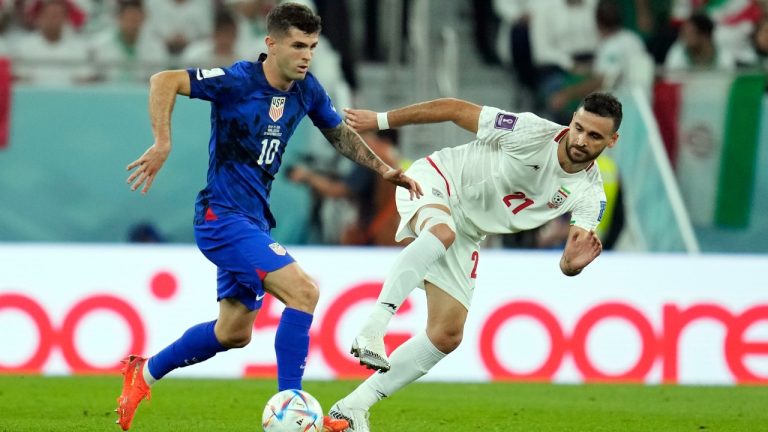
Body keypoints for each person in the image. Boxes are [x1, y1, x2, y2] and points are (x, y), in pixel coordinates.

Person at [115, 3, 421, 431]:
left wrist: (384, 169)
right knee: (303, 292)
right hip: (221, 217)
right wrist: (162, 142)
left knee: (233, 332)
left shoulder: (307, 90)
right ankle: (296, 412)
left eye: (312, 46)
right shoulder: (237, 80)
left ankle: (143, 373)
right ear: (271, 44)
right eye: (298, 45)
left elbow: (340, 135)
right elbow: (162, 80)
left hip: (253, 220)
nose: (306, 55)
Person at [328, 92, 621, 431]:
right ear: (572, 120)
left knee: (447, 334)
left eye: (595, 136)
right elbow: (454, 109)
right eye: (579, 128)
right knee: (442, 232)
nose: (581, 140)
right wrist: (379, 120)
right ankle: (373, 329)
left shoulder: (590, 194)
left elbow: (570, 258)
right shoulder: (530, 131)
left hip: (468, 230)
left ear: (612, 140)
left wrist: (572, 265)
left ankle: (352, 408)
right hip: (438, 181)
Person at [288, 129, 404, 246]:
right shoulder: (392, 158)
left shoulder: (372, 158)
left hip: (376, 233)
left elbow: (337, 190)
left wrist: (307, 176)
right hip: (394, 231)